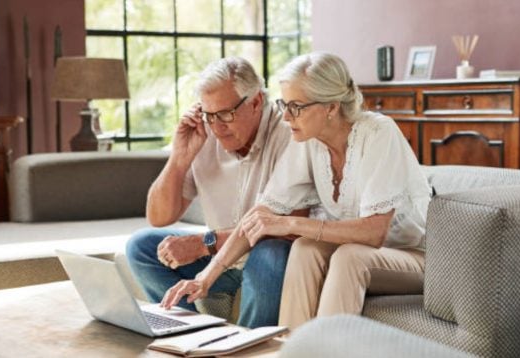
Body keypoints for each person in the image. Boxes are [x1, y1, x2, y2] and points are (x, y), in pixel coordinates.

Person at [159, 52, 432, 331]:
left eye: (296, 106)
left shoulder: (378, 133)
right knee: (305, 247)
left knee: (348, 257)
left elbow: (375, 233)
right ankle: (290, 348)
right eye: (284, 104)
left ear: (331, 107)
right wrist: (206, 277)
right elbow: (261, 215)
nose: (286, 116)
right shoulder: (308, 140)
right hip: (363, 252)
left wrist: (289, 223)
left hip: (415, 257)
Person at [125, 57, 296, 328]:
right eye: (209, 115)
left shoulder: (288, 134)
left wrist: (204, 243)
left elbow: (285, 226)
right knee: (142, 246)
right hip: (218, 258)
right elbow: (158, 217)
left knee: (271, 251)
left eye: (226, 114)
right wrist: (179, 157)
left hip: (266, 259)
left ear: (256, 102)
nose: (217, 127)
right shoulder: (204, 132)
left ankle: (246, 349)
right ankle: (191, 338)